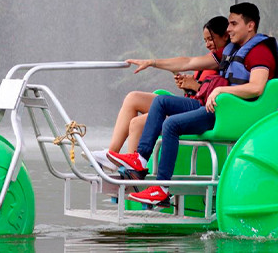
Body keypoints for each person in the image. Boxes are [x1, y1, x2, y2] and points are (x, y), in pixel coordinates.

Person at [107, 2, 278, 205]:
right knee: (161, 102)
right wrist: (153, 62)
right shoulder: (232, 51)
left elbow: (257, 87)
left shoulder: (259, 52)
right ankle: (141, 160)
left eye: (234, 23)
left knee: (171, 125)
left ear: (250, 26)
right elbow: (187, 62)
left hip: (231, 113)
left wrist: (221, 89)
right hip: (216, 107)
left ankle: (161, 189)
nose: (229, 28)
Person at [88, 16, 230, 171]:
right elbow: (189, 65)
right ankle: (111, 155)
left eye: (211, 39)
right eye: (205, 40)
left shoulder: (226, 58)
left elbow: (212, 86)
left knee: (136, 123)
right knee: (132, 97)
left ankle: (132, 174)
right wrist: (187, 85)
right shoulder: (212, 58)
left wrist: (196, 86)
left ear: (225, 36)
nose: (208, 44)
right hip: (190, 104)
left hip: (201, 112)